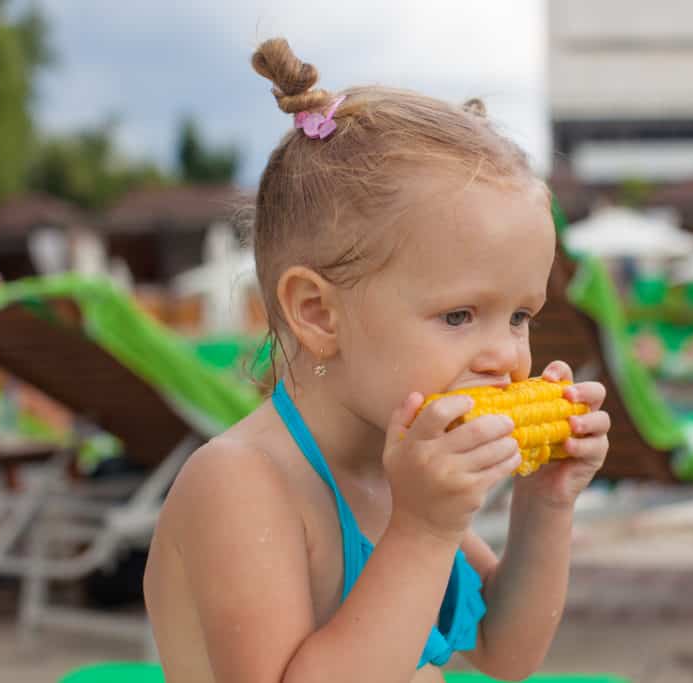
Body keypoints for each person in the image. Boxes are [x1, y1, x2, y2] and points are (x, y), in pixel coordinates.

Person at [143, 37, 610, 683]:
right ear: (318, 313)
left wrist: (546, 503)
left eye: (521, 316)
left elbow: (505, 651)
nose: (507, 355)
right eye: (458, 315)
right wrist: (420, 531)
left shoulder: (398, 471)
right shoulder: (242, 484)